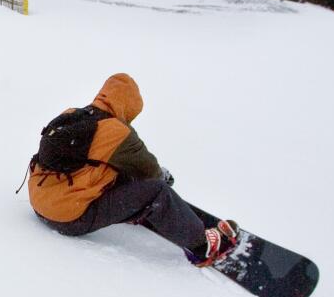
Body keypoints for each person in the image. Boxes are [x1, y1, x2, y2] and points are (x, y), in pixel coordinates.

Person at [24, 73, 237, 266]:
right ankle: (204, 246)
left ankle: (133, 209)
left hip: (39, 203)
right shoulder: (117, 132)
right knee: (157, 192)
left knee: (112, 169)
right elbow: (151, 174)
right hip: (68, 219)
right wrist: (163, 179)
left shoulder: (73, 115)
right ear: (130, 104)